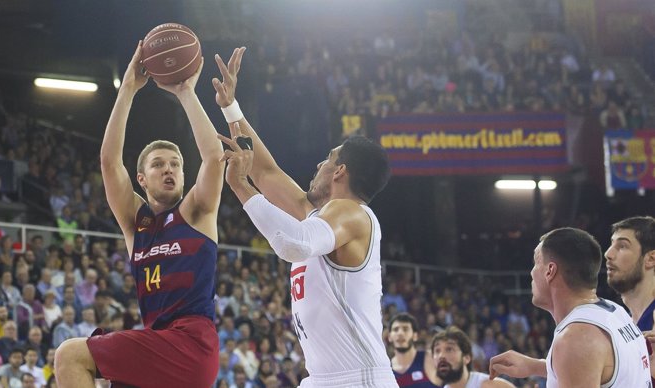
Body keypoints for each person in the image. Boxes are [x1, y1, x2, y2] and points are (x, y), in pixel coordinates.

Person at [215, 47, 396, 387]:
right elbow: (266, 172)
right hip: (325, 379)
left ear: (340, 171)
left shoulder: (352, 213)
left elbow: (293, 244)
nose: (318, 165)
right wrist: (230, 106)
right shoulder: (324, 219)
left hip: (358, 380)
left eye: (327, 159)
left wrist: (240, 188)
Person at [54, 41, 224, 388]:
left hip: (192, 344)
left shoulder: (197, 211)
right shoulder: (137, 222)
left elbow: (213, 157)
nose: (169, 169)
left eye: (176, 164)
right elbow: (109, 162)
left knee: (70, 355)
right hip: (159, 345)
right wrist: (128, 88)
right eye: (159, 164)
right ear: (141, 179)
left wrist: (186, 93)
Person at [489, 227, 651, 386]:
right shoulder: (615, 311)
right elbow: (589, 368)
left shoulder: (576, 338)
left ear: (550, 270)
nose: (531, 273)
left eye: (536, 263)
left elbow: (582, 358)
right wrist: (534, 366)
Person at [604, 216, 655, 379]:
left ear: (651, 259)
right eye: (612, 244)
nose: (608, 254)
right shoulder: (622, 322)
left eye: (622, 246)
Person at [430, 326, 513, 388]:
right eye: (437, 351)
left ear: (467, 358)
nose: (441, 356)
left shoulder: (490, 385)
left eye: (449, 349)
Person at [388, 313, 441, 387]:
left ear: (415, 336)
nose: (400, 333)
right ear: (389, 337)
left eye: (405, 329)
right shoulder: (386, 369)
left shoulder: (430, 359)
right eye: (396, 329)